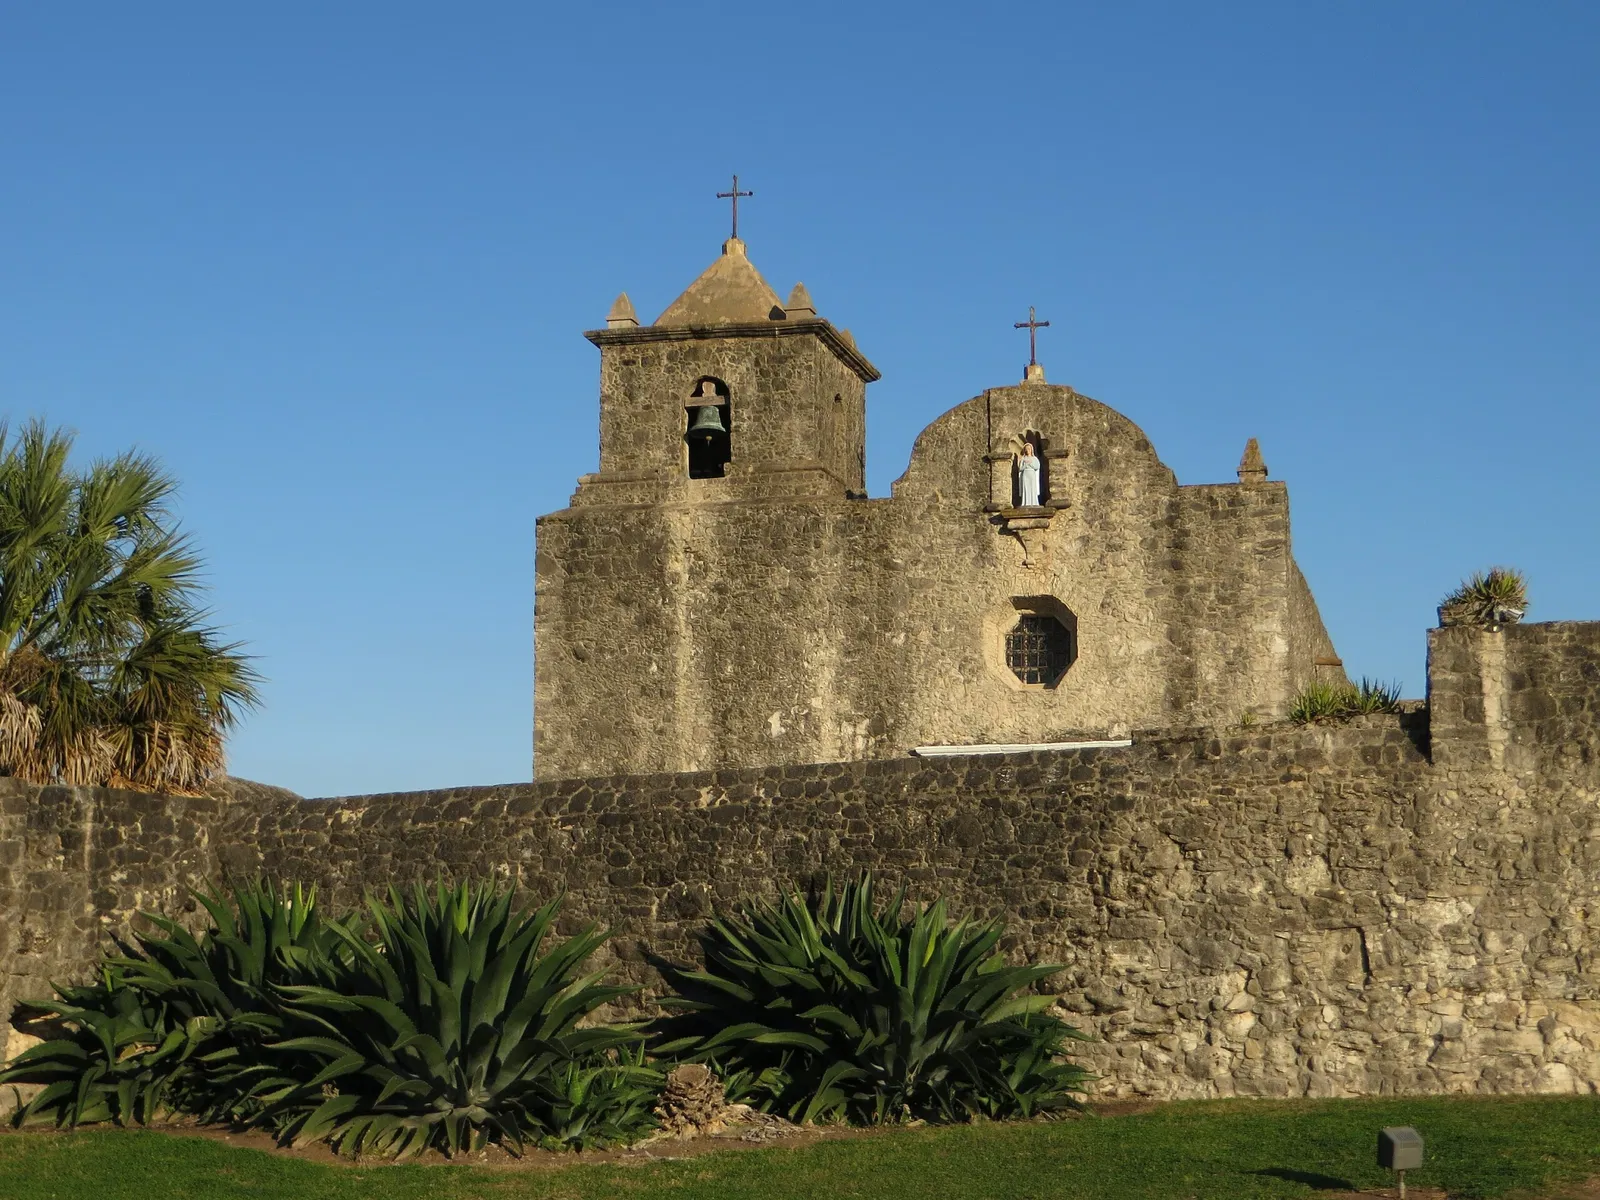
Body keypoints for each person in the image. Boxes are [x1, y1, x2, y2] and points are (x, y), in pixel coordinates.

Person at [1017, 442, 1041, 507]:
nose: (1028, 450)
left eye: (1029, 449)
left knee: (1032, 488)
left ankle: (1033, 502)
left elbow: (1037, 467)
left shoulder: (1035, 458)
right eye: (1026, 449)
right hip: (1025, 474)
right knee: (1025, 488)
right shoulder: (1023, 459)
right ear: (1025, 450)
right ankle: (1025, 502)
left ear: (1031, 450)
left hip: (1032, 474)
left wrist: (1030, 463)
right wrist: (1026, 464)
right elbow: (1020, 468)